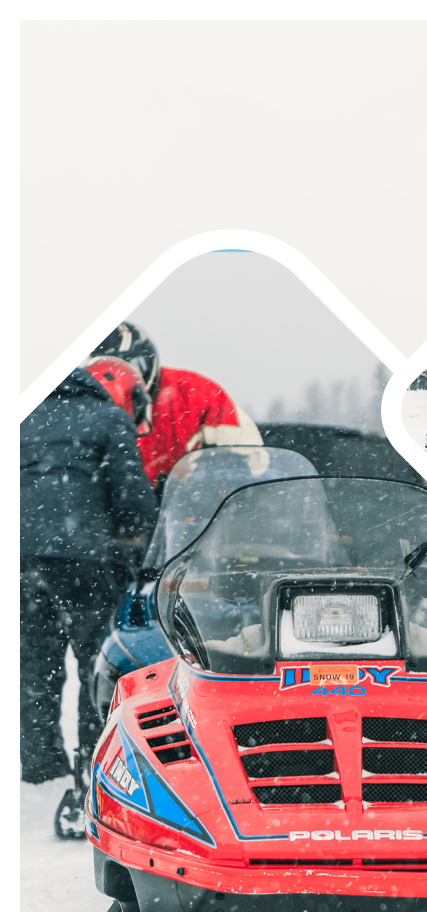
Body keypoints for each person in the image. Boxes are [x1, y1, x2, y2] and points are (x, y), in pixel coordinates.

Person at [19, 362, 159, 782]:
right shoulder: (108, 418)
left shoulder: (20, 416)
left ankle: (40, 766)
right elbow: (133, 499)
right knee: (94, 662)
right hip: (85, 558)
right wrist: (141, 543)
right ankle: (93, 762)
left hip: (20, 558)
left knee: (33, 664)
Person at [92, 321, 261, 485]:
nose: (119, 384)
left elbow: (252, 467)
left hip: (194, 510)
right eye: (104, 374)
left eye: (128, 370)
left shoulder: (200, 396)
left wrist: (205, 482)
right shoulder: (74, 408)